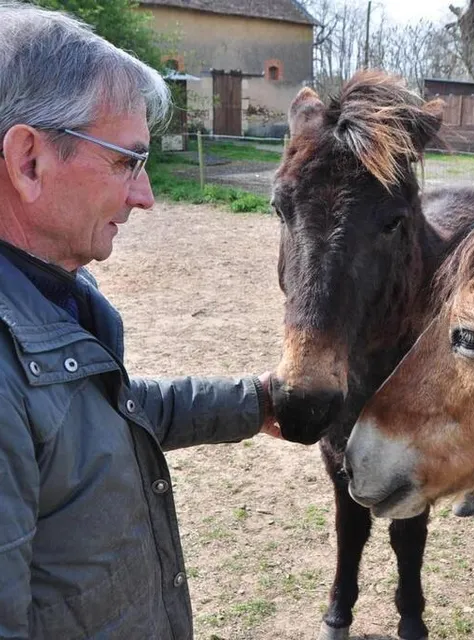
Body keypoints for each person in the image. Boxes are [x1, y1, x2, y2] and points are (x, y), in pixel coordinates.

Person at [0, 3, 280, 638]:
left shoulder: (50, 293)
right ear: (29, 162)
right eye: (127, 161)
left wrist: (257, 400)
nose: (145, 195)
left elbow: (103, 423)